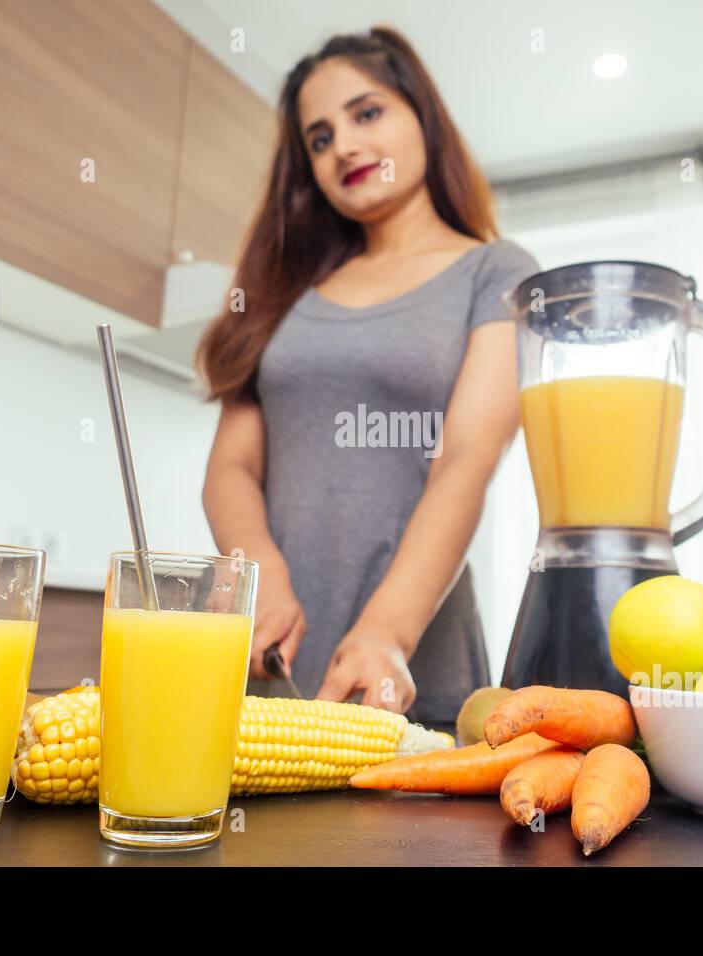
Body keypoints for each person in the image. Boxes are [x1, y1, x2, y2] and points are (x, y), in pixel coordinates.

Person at [196, 26, 539, 724]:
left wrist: (389, 631)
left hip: (414, 669)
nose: (344, 146)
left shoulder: (496, 272)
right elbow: (229, 467)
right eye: (319, 139)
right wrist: (255, 576)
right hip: (272, 670)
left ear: (423, 116)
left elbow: (467, 458)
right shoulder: (284, 288)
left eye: (367, 113)